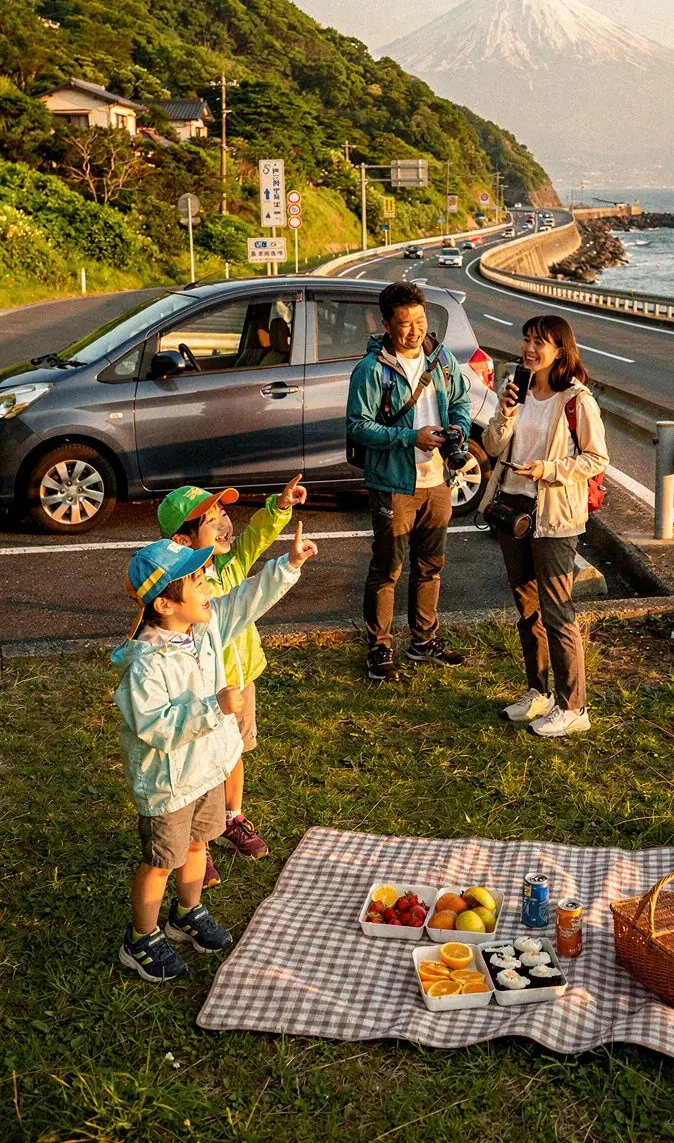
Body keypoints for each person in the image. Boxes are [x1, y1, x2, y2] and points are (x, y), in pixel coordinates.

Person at [113, 525, 317, 983]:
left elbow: (246, 599)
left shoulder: (204, 628)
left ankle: (187, 913)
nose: (211, 588)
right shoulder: (145, 664)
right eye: (200, 582)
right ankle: (140, 939)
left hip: (205, 772)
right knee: (161, 860)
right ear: (164, 605)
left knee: (199, 843)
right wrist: (215, 708)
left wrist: (289, 566)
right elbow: (157, 728)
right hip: (168, 782)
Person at [158, 475, 307, 886]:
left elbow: (255, 540)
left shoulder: (230, 564)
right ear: (184, 542)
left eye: (223, 513)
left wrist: (279, 507)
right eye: (211, 520)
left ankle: (231, 817)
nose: (225, 523)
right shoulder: (180, 588)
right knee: (202, 768)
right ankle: (198, 846)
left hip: (242, 682)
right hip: (205, 693)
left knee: (235, 751)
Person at [481, 314, 608, 738]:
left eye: (541, 343)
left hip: (553, 514)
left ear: (560, 350)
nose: (530, 349)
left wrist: (549, 469)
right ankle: (538, 692)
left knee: (558, 612)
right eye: (527, 339)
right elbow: (494, 446)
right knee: (527, 608)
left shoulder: (576, 400)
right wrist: (504, 414)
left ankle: (574, 707)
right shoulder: (517, 390)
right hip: (512, 509)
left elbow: (596, 459)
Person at [346, 281, 471, 683]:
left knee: (430, 564)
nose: (415, 330)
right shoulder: (371, 370)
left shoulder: (442, 358)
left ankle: (423, 640)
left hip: (438, 479)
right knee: (388, 567)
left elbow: (461, 401)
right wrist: (408, 438)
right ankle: (380, 647)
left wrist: (459, 428)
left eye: (420, 320)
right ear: (386, 324)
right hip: (394, 482)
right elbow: (357, 427)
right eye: (404, 323)